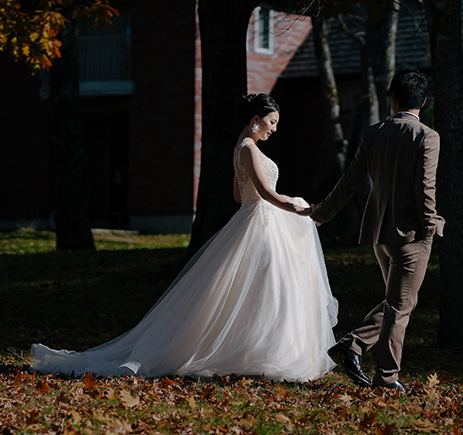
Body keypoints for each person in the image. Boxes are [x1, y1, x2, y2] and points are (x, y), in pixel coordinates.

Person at [31, 93, 338, 381]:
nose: (274, 129)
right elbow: (265, 193)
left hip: (255, 220)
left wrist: (279, 204)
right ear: (256, 119)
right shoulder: (248, 148)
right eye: (272, 122)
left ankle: (260, 349)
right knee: (268, 286)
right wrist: (301, 209)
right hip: (260, 223)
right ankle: (264, 351)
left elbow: (238, 194)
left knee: (259, 287)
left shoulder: (242, 147)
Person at [305, 69, 443, 392]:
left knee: (398, 302)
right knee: (400, 307)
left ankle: (351, 345)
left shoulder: (373, 133)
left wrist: (323, 212)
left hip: (379, 235)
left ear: (393, 99)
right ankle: (386, 377)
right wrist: (429, 225)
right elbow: (425, 187)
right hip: (411, 235)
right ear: (423, 102)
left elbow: (349, 181)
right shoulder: (427, 136)